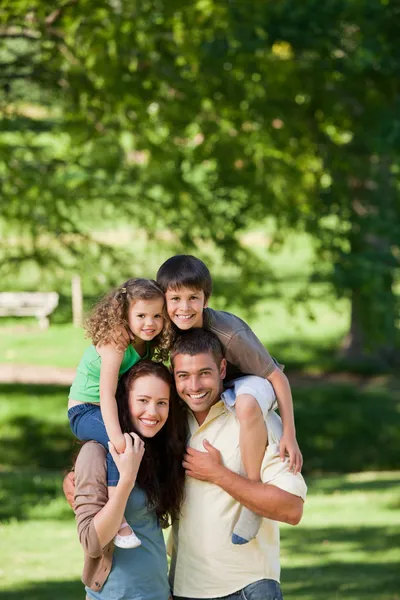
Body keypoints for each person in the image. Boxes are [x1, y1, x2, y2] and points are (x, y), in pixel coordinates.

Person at [156, 255, 302, 545]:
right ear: (164, 300)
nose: (184, 308)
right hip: (213, 383)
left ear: (205, 300)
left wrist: (290, 433)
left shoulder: (229, 333)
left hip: (252, 381)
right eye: (175, 299)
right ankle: (165, 500)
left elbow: (276, 377)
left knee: (247, 404)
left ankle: (252, 496)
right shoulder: (164, 327)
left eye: (193, 298)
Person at [168, 329, 307, 600]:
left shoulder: (254, 418)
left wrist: (219, 475)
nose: (194, 386)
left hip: (248, 588)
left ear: (222, 369)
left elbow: (292, 508)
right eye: (183, 376)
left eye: (204, 373)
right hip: (184, 588)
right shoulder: (170, 423)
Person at [68, 360, 186, 600]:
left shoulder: (155, 451)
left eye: (162, 403)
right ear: (124, 402)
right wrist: (126, 479)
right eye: (142, 400)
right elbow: (92, 543)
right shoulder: (95, 452)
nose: (152, 412)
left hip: (160, 593)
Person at [68, 278, 173, 548]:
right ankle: (119, 521)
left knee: (142, 444)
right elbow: (105, 394)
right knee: (122, 446)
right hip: (84, 410)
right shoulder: (116, 343)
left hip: (106, 408)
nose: (149, 322)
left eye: (157, 316)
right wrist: (117, 437)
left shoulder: (145, 344)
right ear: (124, 313)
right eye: (141, 315)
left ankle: (153, 506)